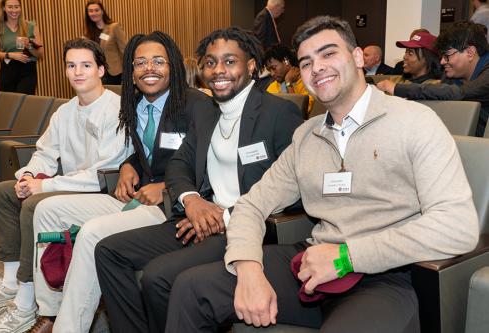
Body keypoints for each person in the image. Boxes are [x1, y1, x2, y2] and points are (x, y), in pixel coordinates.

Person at [163, 16, 479, 333]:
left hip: (384, 275)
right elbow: (252, 205)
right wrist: (248, 268)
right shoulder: (307, 137)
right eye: (305, 62)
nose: (317, 68)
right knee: (192, 289)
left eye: (328, 54)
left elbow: (457, 226)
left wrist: (346, 257)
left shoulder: (415, 122)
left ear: (357, 57)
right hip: (312, 263)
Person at [94, 26, 303, 333]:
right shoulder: (208, 113)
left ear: (252, 65)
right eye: (210, 62)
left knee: (158, 278)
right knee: (108, 251)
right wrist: (192, 201)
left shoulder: (278, 113)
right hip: (199, 217)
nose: (218, 70)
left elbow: (297, 188)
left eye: (229, 61)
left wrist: (227, 216)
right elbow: (178, 165)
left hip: (250, 227)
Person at [27, 32, 211, 333]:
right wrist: (128, 165)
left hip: (169, 205)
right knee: (47, 211)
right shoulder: (133, 102)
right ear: (131, 70)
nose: (149, 68)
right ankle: (50, 311)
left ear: (173, 65)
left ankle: (68, 328)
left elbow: (204, 165)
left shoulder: (195, 104)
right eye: (140, 62)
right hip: (135, 195)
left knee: (92, 233)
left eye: (158, 61)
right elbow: (147, 152)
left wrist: (166, 187)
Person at [0, 38, 130, 333]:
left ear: (102, 70)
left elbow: (102, 173)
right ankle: (12, 280)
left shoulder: (116, 110)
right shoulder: (65, 112)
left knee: (33, 205)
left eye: (86, 65)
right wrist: (28, 177)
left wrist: (45, 187)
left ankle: (27, 302)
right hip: (68, 183)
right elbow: (44, 153)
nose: (78, 72)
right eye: (71, 65)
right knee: (1, 193)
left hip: (101, 190)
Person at [378, 21, 489, 137]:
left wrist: (396, 88)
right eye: (441, 57)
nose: (442, 62)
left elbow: (457, 93)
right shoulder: (452, 75)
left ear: (470, 53)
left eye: (447, 56)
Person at [0, 0, 44, 94]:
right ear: (4, 8)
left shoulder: (31, 26)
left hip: (27, 69)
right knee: (8, 103)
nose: (14, 10)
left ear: (20, 8)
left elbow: (40, 54)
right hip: (8, 69)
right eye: (10, 7)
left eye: (16, 6)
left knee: (25, 103)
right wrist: (11, 55)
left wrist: (29, 46)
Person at [376, 31, 442, 88]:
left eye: (410, 53)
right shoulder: (394, 81)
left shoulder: (437, 87)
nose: (404, 57)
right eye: (406, 52)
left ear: (427, 59)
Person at [84, 0, 126, 84]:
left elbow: (124, 49)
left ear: (102, 11)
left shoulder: (114, 27)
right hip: (97, 73)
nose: (94, 13)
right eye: (91, 11)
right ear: (88, 14)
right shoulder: (88, 34)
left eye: (96, 10)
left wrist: (129, 70)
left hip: (115, 73)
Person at [265, 44, 314, 114]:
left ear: (286, 61)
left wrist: (288, 83)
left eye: (274, 68)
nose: (272, 73)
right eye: (269, 70)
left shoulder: (307, 81)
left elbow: (297, 113)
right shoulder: (272, 87)